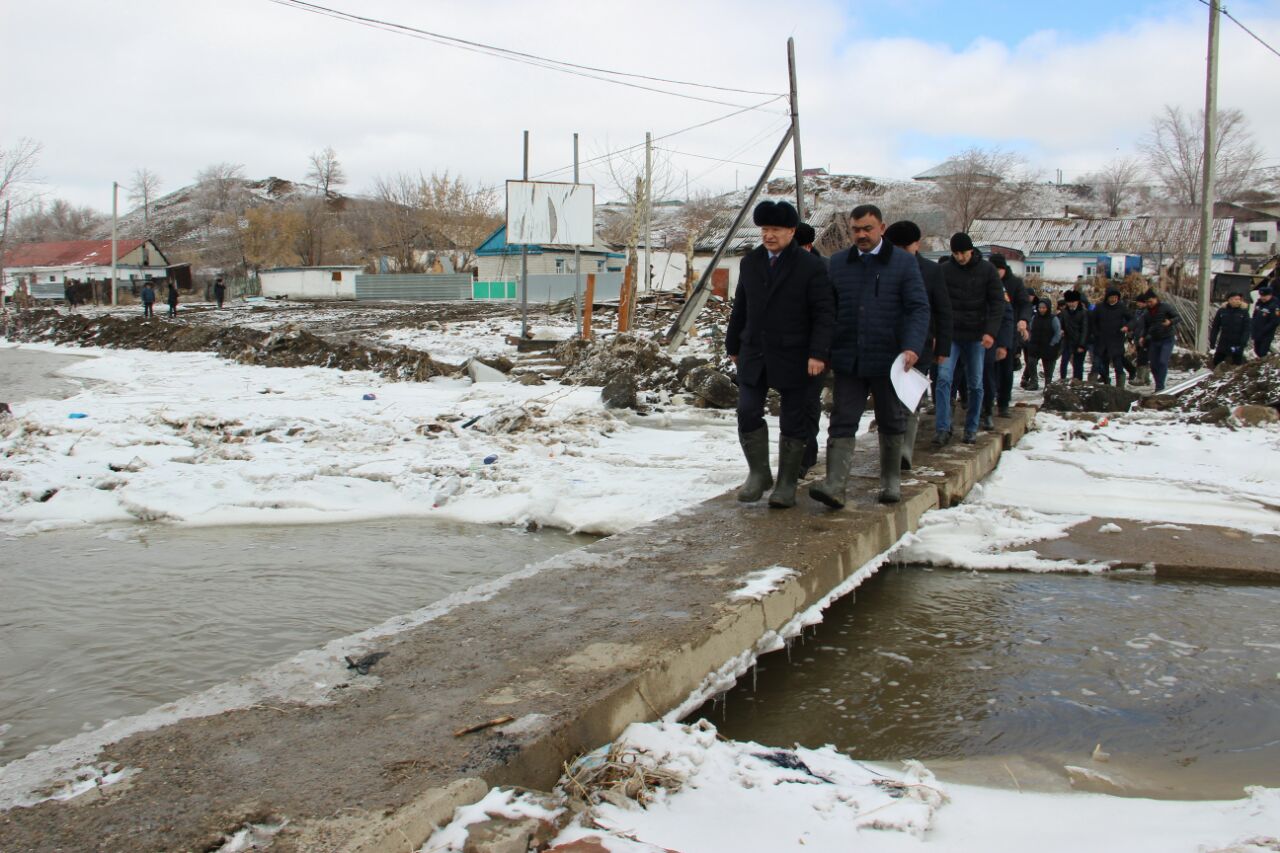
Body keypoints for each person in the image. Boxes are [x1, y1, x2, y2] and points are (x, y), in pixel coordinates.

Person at [807, 205, 928, 507]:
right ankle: (835, 484)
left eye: (867, 229)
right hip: (849, 356)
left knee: (891, 418)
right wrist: (822, 349)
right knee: (842, 419)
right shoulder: (838, 263)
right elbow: (827, 310)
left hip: (890, 359)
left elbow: (918, 308)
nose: (861, 234)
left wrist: (912, 346)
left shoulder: (902, 263)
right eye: (856, 229)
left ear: (882, 228)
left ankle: (890, 481)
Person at [726, 200, 834, 509]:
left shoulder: (810, 265)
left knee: (794, 419)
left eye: (775, 230)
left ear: (791, 231)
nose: (768, 235)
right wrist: (733, 345)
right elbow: (741, 306)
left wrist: (818, 353)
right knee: (747, 410)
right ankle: (759, 475)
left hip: (796, 354)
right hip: (754, 351)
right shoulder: (751, 262)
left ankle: (786, 482)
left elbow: (824, 313)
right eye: (764, 229)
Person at [884, 220, 951, 471]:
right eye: (896, 247)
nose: (901, 252)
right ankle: (891, 445)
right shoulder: (881, 267)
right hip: (887, 344)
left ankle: (904, 450)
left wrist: (943, 347)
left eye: (906, 246)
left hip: (920, 343)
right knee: (889, 399)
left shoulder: (931, 272)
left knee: (910, 398)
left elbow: (943, 310)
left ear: (917, 245)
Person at [934, 232, 1004, 445]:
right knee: (943, 379)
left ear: (971, 250)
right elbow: (936, 303)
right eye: (955, 253)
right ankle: (943, 428)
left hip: (976, 335)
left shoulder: (987, 270)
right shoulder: (944, 271)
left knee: (975, 383)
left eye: (962, 253)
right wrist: (937, 333)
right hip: (951, 335)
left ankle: (971, 427)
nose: (959, 257)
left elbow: (997, 304)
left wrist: (990, 332)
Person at [794, 221, 826, 477]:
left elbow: (828, 314)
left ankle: (807, 455)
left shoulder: (824, 270)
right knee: (794, 404)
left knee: (809, 402)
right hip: (788, 350)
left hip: (816, 351)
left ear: (808, 246)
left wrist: (820, 352)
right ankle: (795, 455)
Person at [987, 255, 1031, 416]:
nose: (995, 273)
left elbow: (1025, 304)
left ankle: (1003, 403)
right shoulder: (987, 281)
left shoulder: (1015, 283)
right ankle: (988, 402)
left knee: (1006, 370)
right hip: (989, 331)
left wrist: (1023, 320)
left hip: (1008, 331)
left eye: (998, 269)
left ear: (1004, 269)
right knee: (988, 369)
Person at [1134, 288, 1179, 392]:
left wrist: (1170, 322)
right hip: (1154, 340)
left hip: (1167, 338)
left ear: (1156, 299)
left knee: (1162, 361)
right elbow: (1146, 327)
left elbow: (1177, 317)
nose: (1149, 303)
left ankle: (1160, 386)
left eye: (1151, 301)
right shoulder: (1147, 313)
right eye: (1147, 302)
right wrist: (1142, 337)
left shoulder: (1165, 307)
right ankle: (1158, 383)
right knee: (1153, 364)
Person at [1093, 287, 1133, 386]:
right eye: (1112, 297)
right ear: (1107, 297)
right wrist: (1096, 333)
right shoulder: (1099, 307)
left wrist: (1127, 327)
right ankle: (1099, 383)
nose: (1114, 299)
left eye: (1116, 297)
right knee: (1098, 364)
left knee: (1118, 365)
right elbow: (1093, 322)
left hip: (1116, 340)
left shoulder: (1122, 307)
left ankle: (1120, 388)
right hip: (1101, 341)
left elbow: (1132, 319)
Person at [1025, 298, 1062, 389]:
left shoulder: (1053, 319)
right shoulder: (1035, 318)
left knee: (1048, 368)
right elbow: (1030, 329)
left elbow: (1058, 333)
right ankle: (1034, 382)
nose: (1041, 309)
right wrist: (1030, 340)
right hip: (1035, 345)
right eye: (1040, 307)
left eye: (1044, 308)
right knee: (1031, 363)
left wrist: (1052, 343)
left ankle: (1048, 385)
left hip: (1048, 347)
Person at [1209, 291, 1251, 368]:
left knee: (1236, 362)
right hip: (1224, 342)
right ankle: (1215, 377)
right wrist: (1213, 340)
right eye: (1235, 299)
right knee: (1217, 361)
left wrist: (1243, 341)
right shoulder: (1222, 311)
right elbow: (1215, 326)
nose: (1237, 301)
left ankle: (1235, 378)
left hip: (1237, 343)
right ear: (1229, 300)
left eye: (1239, 299)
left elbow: (1247, 328)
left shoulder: (1244, 312)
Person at [1058, 290, 1089, 380]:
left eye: (1073, 302)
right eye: (1069, 302)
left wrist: (1082, 345)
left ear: (1077, 301)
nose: (1071, 304)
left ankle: (1078, 383)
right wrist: (1061, 330)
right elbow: (1061, 324)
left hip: (1079, 342)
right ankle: (1062, 380)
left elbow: (1085, 330)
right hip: (1068, 341)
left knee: (1078, 364)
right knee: (1064, 362)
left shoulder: (1083, 312)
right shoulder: (1064, 312)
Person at [1252, 286, 1278, 357]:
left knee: (1262, 351)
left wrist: (1264, 329)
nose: (1263, 298)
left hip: (1266, 333)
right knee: (1256, 350)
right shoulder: (1259, 303)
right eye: (1261, 296)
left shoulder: (1275, 305)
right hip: (1257, 331)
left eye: (1265, 296)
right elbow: (1255, 315)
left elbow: (1275, 321)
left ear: (1270, 295)